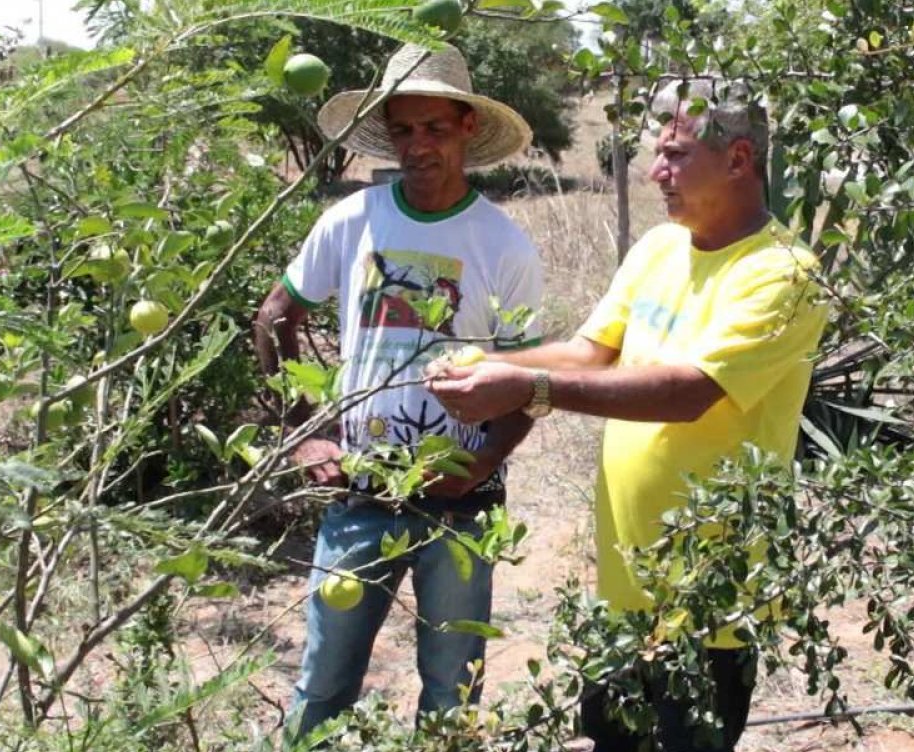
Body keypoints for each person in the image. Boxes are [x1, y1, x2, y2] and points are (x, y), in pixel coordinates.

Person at [427, 78, 828, 751]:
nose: (654, 172)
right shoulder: (659, 249)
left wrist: (530, 390)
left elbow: (691, 389)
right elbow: (592, 351)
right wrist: (491, 366)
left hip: (711, 603)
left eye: (675, 154)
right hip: (624, 587)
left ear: (737, 161)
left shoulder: (784, 273)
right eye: (657, 152)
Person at [253, 44, 543, 736]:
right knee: (323, 687)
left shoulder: (504, 245)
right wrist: (306, 430)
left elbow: (530, 382)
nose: (418, 147)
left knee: (451, 695)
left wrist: (481, 461)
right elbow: (273, 317)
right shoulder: (351, 220)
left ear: (467, 128)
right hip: (361, 494)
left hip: (461, 505)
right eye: (404, 130)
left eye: (435, 129)